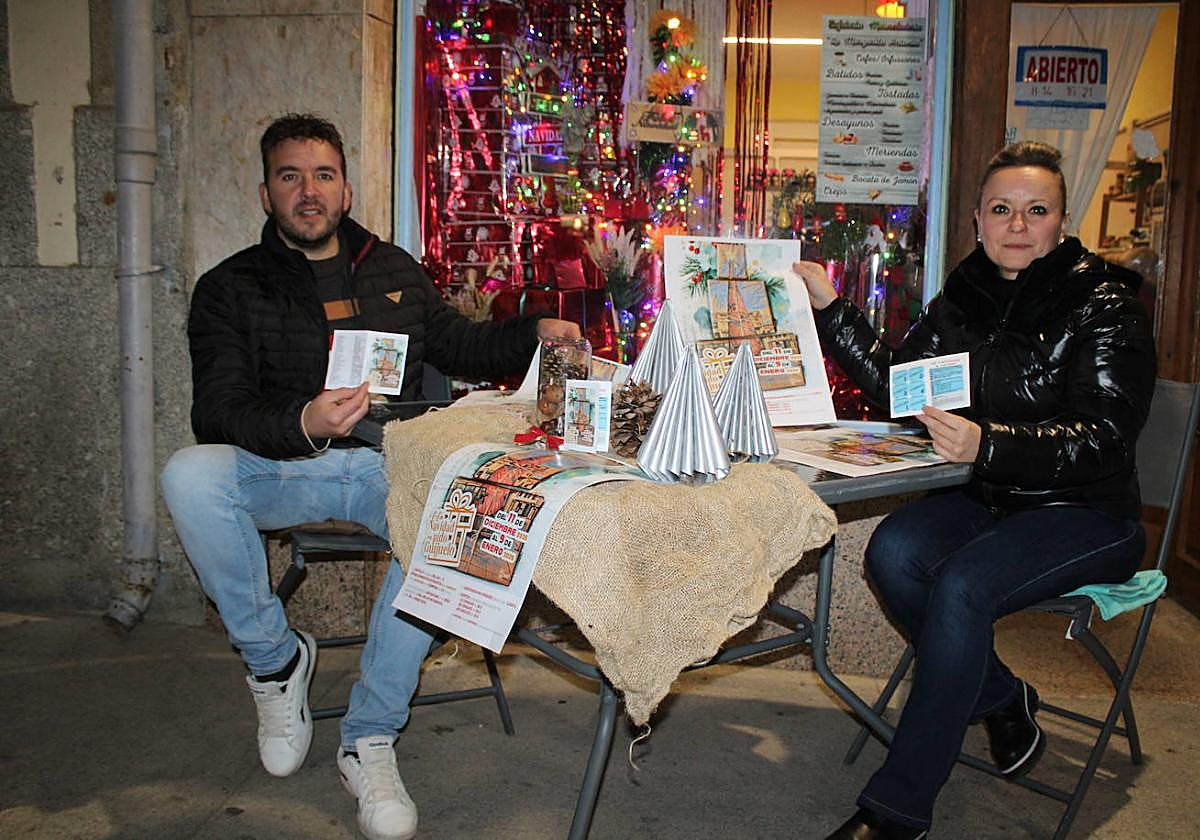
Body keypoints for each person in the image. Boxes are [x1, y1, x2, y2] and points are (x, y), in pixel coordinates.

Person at [160, 113, 579, 840]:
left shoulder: (393, 269)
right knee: (190, 475)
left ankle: (369, 737)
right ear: (266, 193)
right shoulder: (228, 287)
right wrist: (304, 420)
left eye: (323, 175)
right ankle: (275, 662)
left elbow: (461, 345)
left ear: (346, 189)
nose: (308, 191)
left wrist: (532, 331)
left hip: (390, 463)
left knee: (454, 516)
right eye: (290, 176)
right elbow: (217, 411)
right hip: (288, 463)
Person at [792, 141, 1156, 840]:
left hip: (1088, 512)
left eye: (1036, 211)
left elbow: (1108, 436)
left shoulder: (1105, 302)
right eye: (1001, 209)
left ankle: (897, 812)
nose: (1017, 225)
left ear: (1062, 221)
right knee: (892, 554)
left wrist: (989, 443)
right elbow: (901, 390)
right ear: (978, 221)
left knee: (961, 586)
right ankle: (1001, 695)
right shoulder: (966, 294)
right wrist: (833, 308)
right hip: (992, 498)